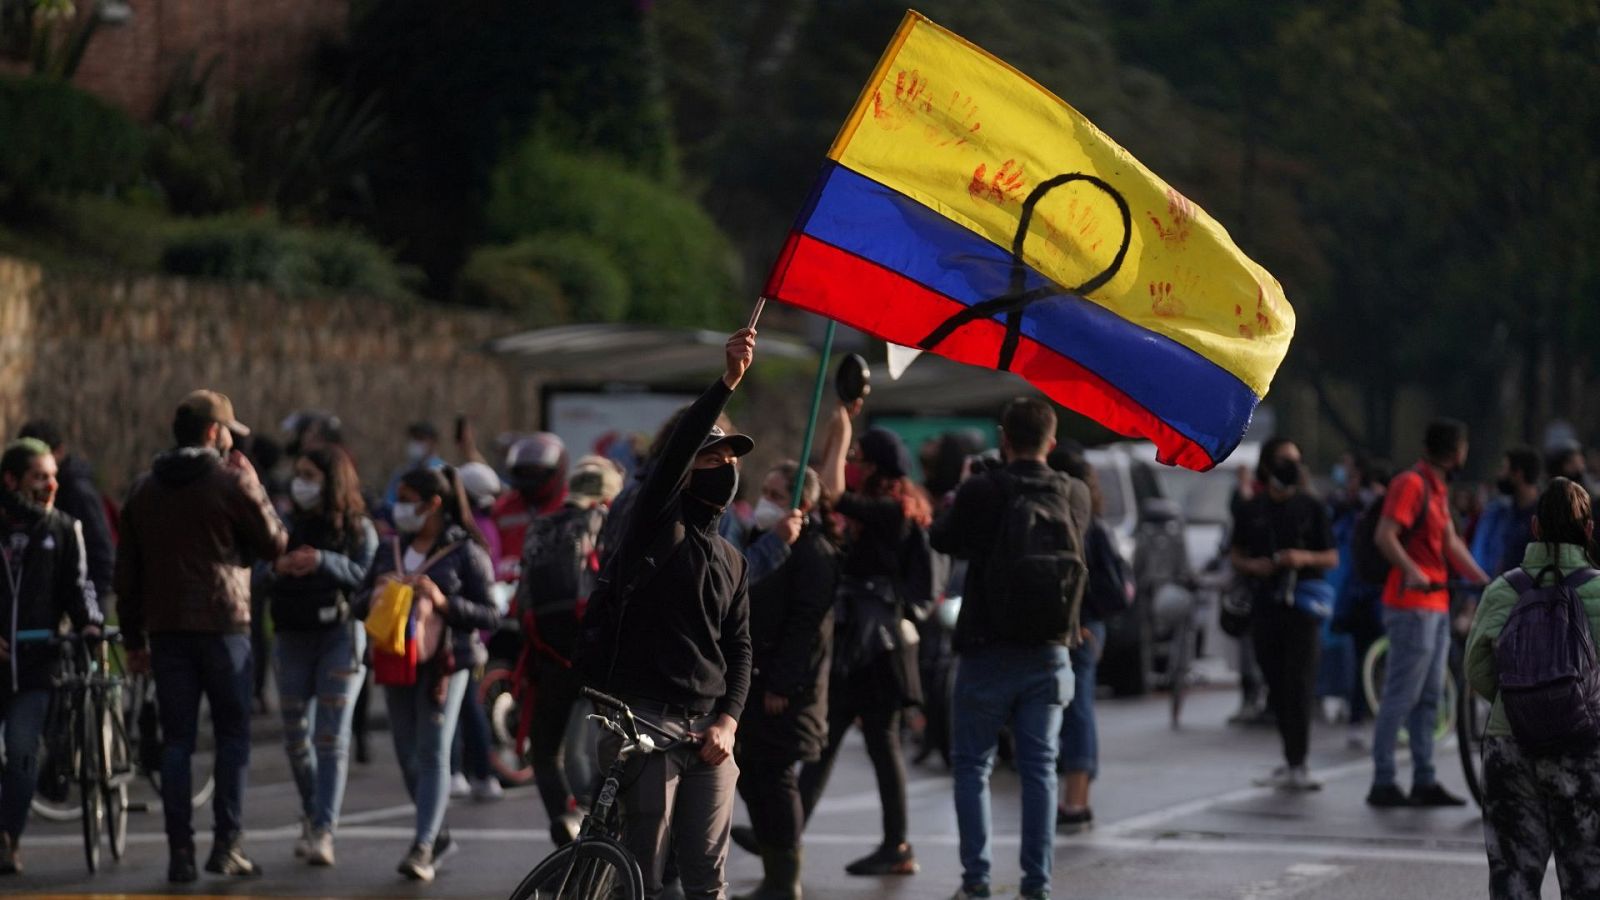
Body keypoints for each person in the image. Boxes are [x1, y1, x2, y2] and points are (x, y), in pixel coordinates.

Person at [578, 327, 756, 900]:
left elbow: (741, 649)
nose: (725, 463)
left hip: (707, 732)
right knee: (645, 873)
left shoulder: (732, 559)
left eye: (731, 455)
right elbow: (673, 456)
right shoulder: (657, 525)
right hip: (643, 719)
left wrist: (727, 722)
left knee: (707, 879)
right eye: (714, 454)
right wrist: (726, 383)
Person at [115, 390, 288, 882]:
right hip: (224, 626)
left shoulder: (144, 489)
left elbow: (127, 573)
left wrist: (133, 641)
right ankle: (227, 844)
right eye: (230, 430)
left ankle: (180, 853)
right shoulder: (232, 481)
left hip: (168, 630)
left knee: (178, 742)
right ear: (213, 433)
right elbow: (276, 543)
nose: (234, 439)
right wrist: (255, 485)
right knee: (233, 736)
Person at [931, 397, 1086, 900]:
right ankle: (1036, 884)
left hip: (987, 648)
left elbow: (943, 538)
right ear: (1052, 441)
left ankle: (976, 881)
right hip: (1050, 650)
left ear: (1004, 437)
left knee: (973, 765)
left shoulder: (983, 488)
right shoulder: (1074, 493)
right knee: (1039, 769)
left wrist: (966, 486)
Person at [797, 401, 929, 878]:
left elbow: (832, 493)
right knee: (828, 738)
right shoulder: (883, 508)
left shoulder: (893, 509)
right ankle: (787, 831)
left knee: (875, 742)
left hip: (879, 647)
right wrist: (838, 438)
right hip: (863, 643)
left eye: (858, 456)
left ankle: (896, 844)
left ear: (873, 466)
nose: (852, 461)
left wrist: (840, 431)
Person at [355, 466, 499, 882]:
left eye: (406, 497)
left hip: (445, 664)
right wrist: (379, 592)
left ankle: (421, 846)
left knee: (434, 750)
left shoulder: (464, 551)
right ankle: (436, 835)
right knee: (406, 753)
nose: (398, 507)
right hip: (394, 660)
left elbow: (491, 612)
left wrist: (441, 600)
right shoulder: (389, 549)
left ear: (433, 504)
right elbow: (357, 603)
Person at [1466, 477, 1600, 899]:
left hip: (1511, 745)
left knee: (1513, 878)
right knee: (1587, 878)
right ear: (1589, 530)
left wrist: (1521, 703)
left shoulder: (1504, 589)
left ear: (1536, 528)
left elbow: (1476, 668)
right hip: (1584, 749)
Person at [1367, 419, 1489, 807]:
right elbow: (1385, 534)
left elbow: (1451, 544)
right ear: (1455, 450)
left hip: (1436, 605)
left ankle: (1424, 778)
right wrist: (1411, 570)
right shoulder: (1411, 484)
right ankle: (1383, 779)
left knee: (1430, 697)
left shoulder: (1437, 491)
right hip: (1411, 606)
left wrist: (1487, 582)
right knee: (1402, 695)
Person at [267, 446, 378, 866]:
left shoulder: (358, 530)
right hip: (291, 636)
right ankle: (314, 812)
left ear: (332, 481)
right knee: (296, 738)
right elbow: (256, 572)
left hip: (339, 637)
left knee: (330, 739)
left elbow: (367, 581)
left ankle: (323, 828)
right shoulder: (283, 524)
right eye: (298, 474)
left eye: (310, 475)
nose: (301, 483)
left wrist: (322, 561)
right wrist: (279, 567)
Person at [730, 462, 837, 900]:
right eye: (766, 491)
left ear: (803, 506)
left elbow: (805, 626)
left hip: (786, 690)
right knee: (750, 774)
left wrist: (782, 685)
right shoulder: (764, 542)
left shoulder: (814, 553)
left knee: (775, 779)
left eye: (777, 495)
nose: (766, 502)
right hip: (755, 681)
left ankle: (783, 880)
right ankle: (774, 872)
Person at [0, 438, 102, 875]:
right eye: (39, 477)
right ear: (12, 481)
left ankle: (8, 837)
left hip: (38, 663)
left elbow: (78, 590)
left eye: (52, 476)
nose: (50, 484)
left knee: (24, 752)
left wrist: (90, 623)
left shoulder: (63, 529)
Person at [517, 454, 623, 845]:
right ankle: (598, 820)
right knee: (617, 749)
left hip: (550, 657)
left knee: (545, 751)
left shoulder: (540, 526)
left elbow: (524, 598)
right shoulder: (607, 522)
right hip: (600, 656)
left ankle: (564, 816)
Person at [1230, 438, 1339, 791]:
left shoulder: (1311, 506)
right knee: (1275, 683)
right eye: (1281, 461)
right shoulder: (1252, 509)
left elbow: (1331, 556)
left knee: (1300, 683)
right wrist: (1253, 566)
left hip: (1302, 608)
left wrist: (1301, 559)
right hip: (1265, 606)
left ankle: (1299, 761)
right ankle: (1289, 758)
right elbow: (1235, 551)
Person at [1047, 446, 1126, 834]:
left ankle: (1076, 801)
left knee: (1076, 712)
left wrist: (1079, 617)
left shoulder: (1080, 524)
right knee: (1075, 711)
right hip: (1086, 626)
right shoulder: (1090, 520)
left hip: (1083, 628)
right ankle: (1078, 799)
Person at [448, 460, 504, 803]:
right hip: (474, 634)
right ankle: (477, 772)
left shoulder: (471, 537)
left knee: (462, 708)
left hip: (465, 635)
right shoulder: (486, 529)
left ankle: (472, 771)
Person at [16, 420, 114, 606]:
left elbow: (102, 554)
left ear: (58, 452)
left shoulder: (78, 492)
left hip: (81, 602)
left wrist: (88, 607)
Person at [492, 433, 569, 580]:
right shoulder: (503, 508)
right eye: (523, 471)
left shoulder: (571, 506)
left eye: (535, 470)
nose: (528, 477)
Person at [1470, 446, 1542, 579]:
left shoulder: (1544, 517)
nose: (1499, 475)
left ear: (1518, 474)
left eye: (1504, 469)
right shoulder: (1505, 514)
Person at [383, 422, 445, 508]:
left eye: (420, 438)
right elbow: (388, 502)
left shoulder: (443, 471)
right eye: (414, 438)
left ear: (433, 442)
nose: (415, 443)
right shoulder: (402, 473)